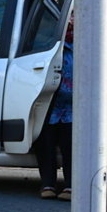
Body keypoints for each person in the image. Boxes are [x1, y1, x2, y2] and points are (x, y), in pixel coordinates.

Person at [35, 13, 73, 200]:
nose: (72, 21)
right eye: (69, 17)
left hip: (74, 106)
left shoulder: (90, 43)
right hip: (48, 102)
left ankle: (71, 186)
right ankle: (47, 184)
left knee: (71, 146)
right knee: (45, 145)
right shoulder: (49, 42)